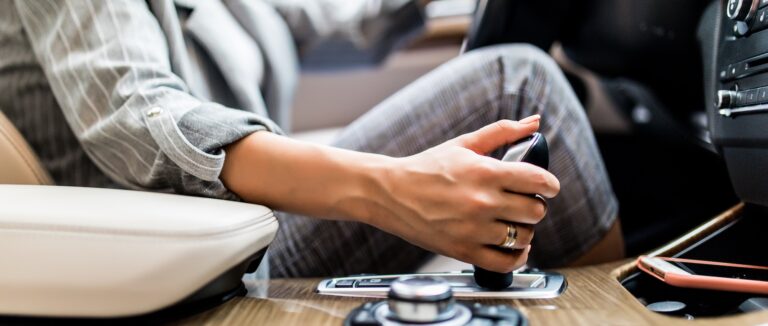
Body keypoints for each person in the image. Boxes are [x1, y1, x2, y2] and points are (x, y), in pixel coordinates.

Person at [0, 0, 622, 277]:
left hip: (250, 225)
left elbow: (337, 24)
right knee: (521, 85)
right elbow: (137, 117)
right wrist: (389, 187)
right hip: (196, 262)